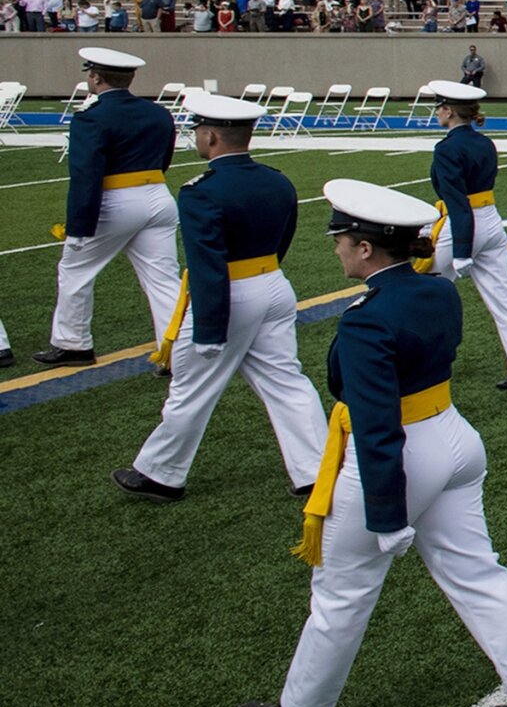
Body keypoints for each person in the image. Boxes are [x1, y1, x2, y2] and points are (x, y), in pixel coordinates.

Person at [235, 181, 507, 707]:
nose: (335, 248)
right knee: (478, 569)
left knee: (340, 593)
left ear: (365, 249)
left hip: (400, 456)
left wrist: (386, 514)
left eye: (341, 239)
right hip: (453, 436)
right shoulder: (436, 291)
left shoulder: (367, 319)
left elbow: (377, 424)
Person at [115, 91, 327, 503]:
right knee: (286, 380)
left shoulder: (200, 191)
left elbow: (207, 263)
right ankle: (316, 469)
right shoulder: (276, 179)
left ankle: (161, 473)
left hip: (229, 294)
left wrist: (210, 330)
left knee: (192, 386)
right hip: (272, 282)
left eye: (198, 131)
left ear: (211, 137)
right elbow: (283, 238)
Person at [41, 45, 180, 367]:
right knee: (163, 279)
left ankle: (73, 343)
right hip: (157, 194)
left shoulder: (91, 117)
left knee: (75, 270)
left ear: (95, 77)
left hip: (115, 200)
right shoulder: (158, 112)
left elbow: (86, 176)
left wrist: (78, 227)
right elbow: (165, 160)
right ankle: (179, 352)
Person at [416, 79, 507, 390]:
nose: (437, 114)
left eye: (439, 109)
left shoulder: (446, 149)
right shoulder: (485, 143)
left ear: (448, 111)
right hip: (491, 220)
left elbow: (457, 203)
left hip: (462, 224)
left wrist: (460, 250)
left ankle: (423, 364)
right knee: (505, 298)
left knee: (420, 291)